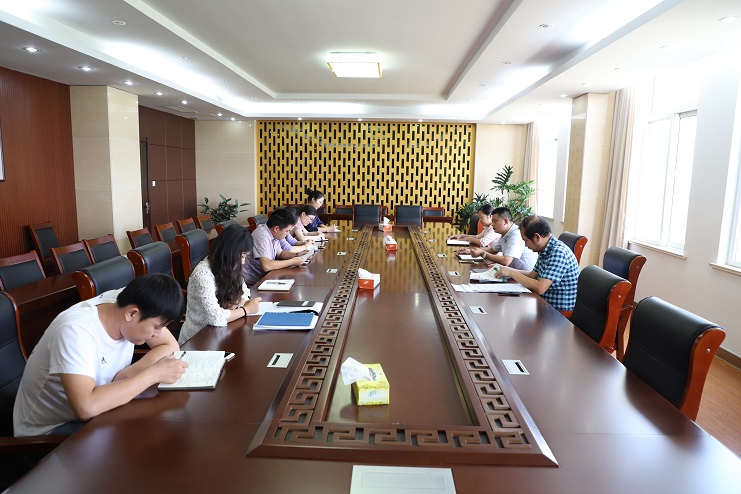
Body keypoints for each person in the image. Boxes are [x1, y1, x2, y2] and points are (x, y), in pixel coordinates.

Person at [14, 274, 188, 437]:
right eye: (156, 327)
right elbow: (85, 408)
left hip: (103, 408)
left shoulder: (125, 302)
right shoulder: (75, 331)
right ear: (132, 313)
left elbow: (169, 345)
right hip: (51, 430)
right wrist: (153, 374)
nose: (158, 334)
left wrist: (128, 374)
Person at [178, 224, 262, 344]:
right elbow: (215, 317)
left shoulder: (229, 266)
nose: (243, 262)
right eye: (242, 256)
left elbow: (244, 290)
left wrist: (240, 302)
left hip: (222, 333)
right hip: (197, 340)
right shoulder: (202, 274)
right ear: (229, 252)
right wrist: (246, 309)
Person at [496, 215, 579, 312]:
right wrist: (508, 270)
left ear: (537, 237)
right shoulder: (545, 248)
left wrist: (512, 273)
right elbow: (532, 275)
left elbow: (540, 287)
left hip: (556, 312)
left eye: (526, 241)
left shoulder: (558, 253)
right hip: (542, 303)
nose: (525, 245)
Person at [242, 208, 306, 287]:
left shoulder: (274, 234)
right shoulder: (262, 235)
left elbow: (280, 253)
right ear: (276, 228)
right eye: (287, 231)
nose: (287, 234)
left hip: (268, 276)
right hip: (255, 282)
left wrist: (296, 255)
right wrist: (292, 261)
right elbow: (266, 266)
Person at [459, 207, 537, 271]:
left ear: (505, 221)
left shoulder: (516, 235)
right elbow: (493, 250)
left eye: (495, 221)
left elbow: (506, 261)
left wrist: (483, 253)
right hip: (512, 272)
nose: (492, 224)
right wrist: (470, 251)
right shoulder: (504, 233)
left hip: (525, 277)